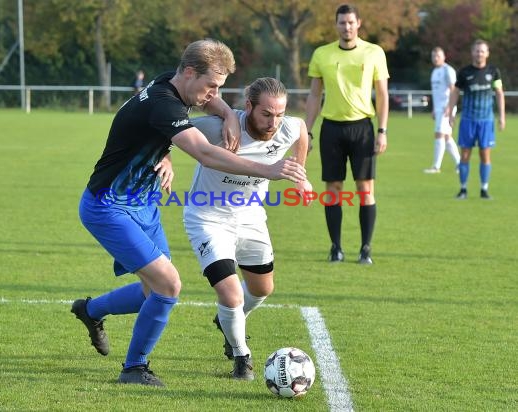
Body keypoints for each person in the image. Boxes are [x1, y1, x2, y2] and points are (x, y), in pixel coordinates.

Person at [72, 39, 306, 387]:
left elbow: (205, 103)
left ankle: (90, 311)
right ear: (190, 72)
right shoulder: (165, 106)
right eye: (212, 85)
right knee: (168, 285)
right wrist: (268, 170)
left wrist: (226, 113)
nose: (213, 93)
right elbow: (206, 155)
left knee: (154, 290)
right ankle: (134, 369)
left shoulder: (173, 80)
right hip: (109, 206)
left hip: (144, 202)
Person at [183, 77, 312, 380]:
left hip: (252, 217)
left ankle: (228, 320)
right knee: (231, 295)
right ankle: (241, 357)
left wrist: (300, 174)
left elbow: (302, 132)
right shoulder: (217, 129)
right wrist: (165, 159)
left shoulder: (288, 127)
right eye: (266, 114)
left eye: (279, 114)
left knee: (262, 289)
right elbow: (168, 131)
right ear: (249, 106)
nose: (274, 122)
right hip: (208, 217)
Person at [305, 4, 389, 264]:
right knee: (333, 189)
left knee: (365, 189)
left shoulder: (374, 52)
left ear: (359, 24)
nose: (347, 27)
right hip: (331, 128)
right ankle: (336, 247)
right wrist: (306, 131)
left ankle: (365, 248)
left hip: (362, 127)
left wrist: (383, 130)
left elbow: (383, 94)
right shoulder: (322, 54)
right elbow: (314, 94)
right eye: (342, 22)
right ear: (336, 25)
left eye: (351, 22)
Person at [446, 39, 505, 200]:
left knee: (485, 155)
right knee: (465, 155)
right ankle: (463, 189)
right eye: (477, 50)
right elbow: (455, 92)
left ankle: (484, 189)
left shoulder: (494, 72)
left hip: (486, 121)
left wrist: (502, 116)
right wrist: (451, 113)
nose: (479, 53)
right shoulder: (464, 72)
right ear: (472, 53)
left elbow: (499, 93)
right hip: (468, 120)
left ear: (487, 53)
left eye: (482, 51)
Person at [424, 47, 460, 174]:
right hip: (439, 108)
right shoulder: (434, 71)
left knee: (439, 134)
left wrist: (449, 107)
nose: (435, 58)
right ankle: (460, 164)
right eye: (433, 56)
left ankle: (436, 167)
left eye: (438, 56)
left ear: (444, 57)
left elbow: (453, 89)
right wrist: (434, 108)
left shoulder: (448, 70)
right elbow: (436, 93)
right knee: (446, 137)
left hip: (446, 108)